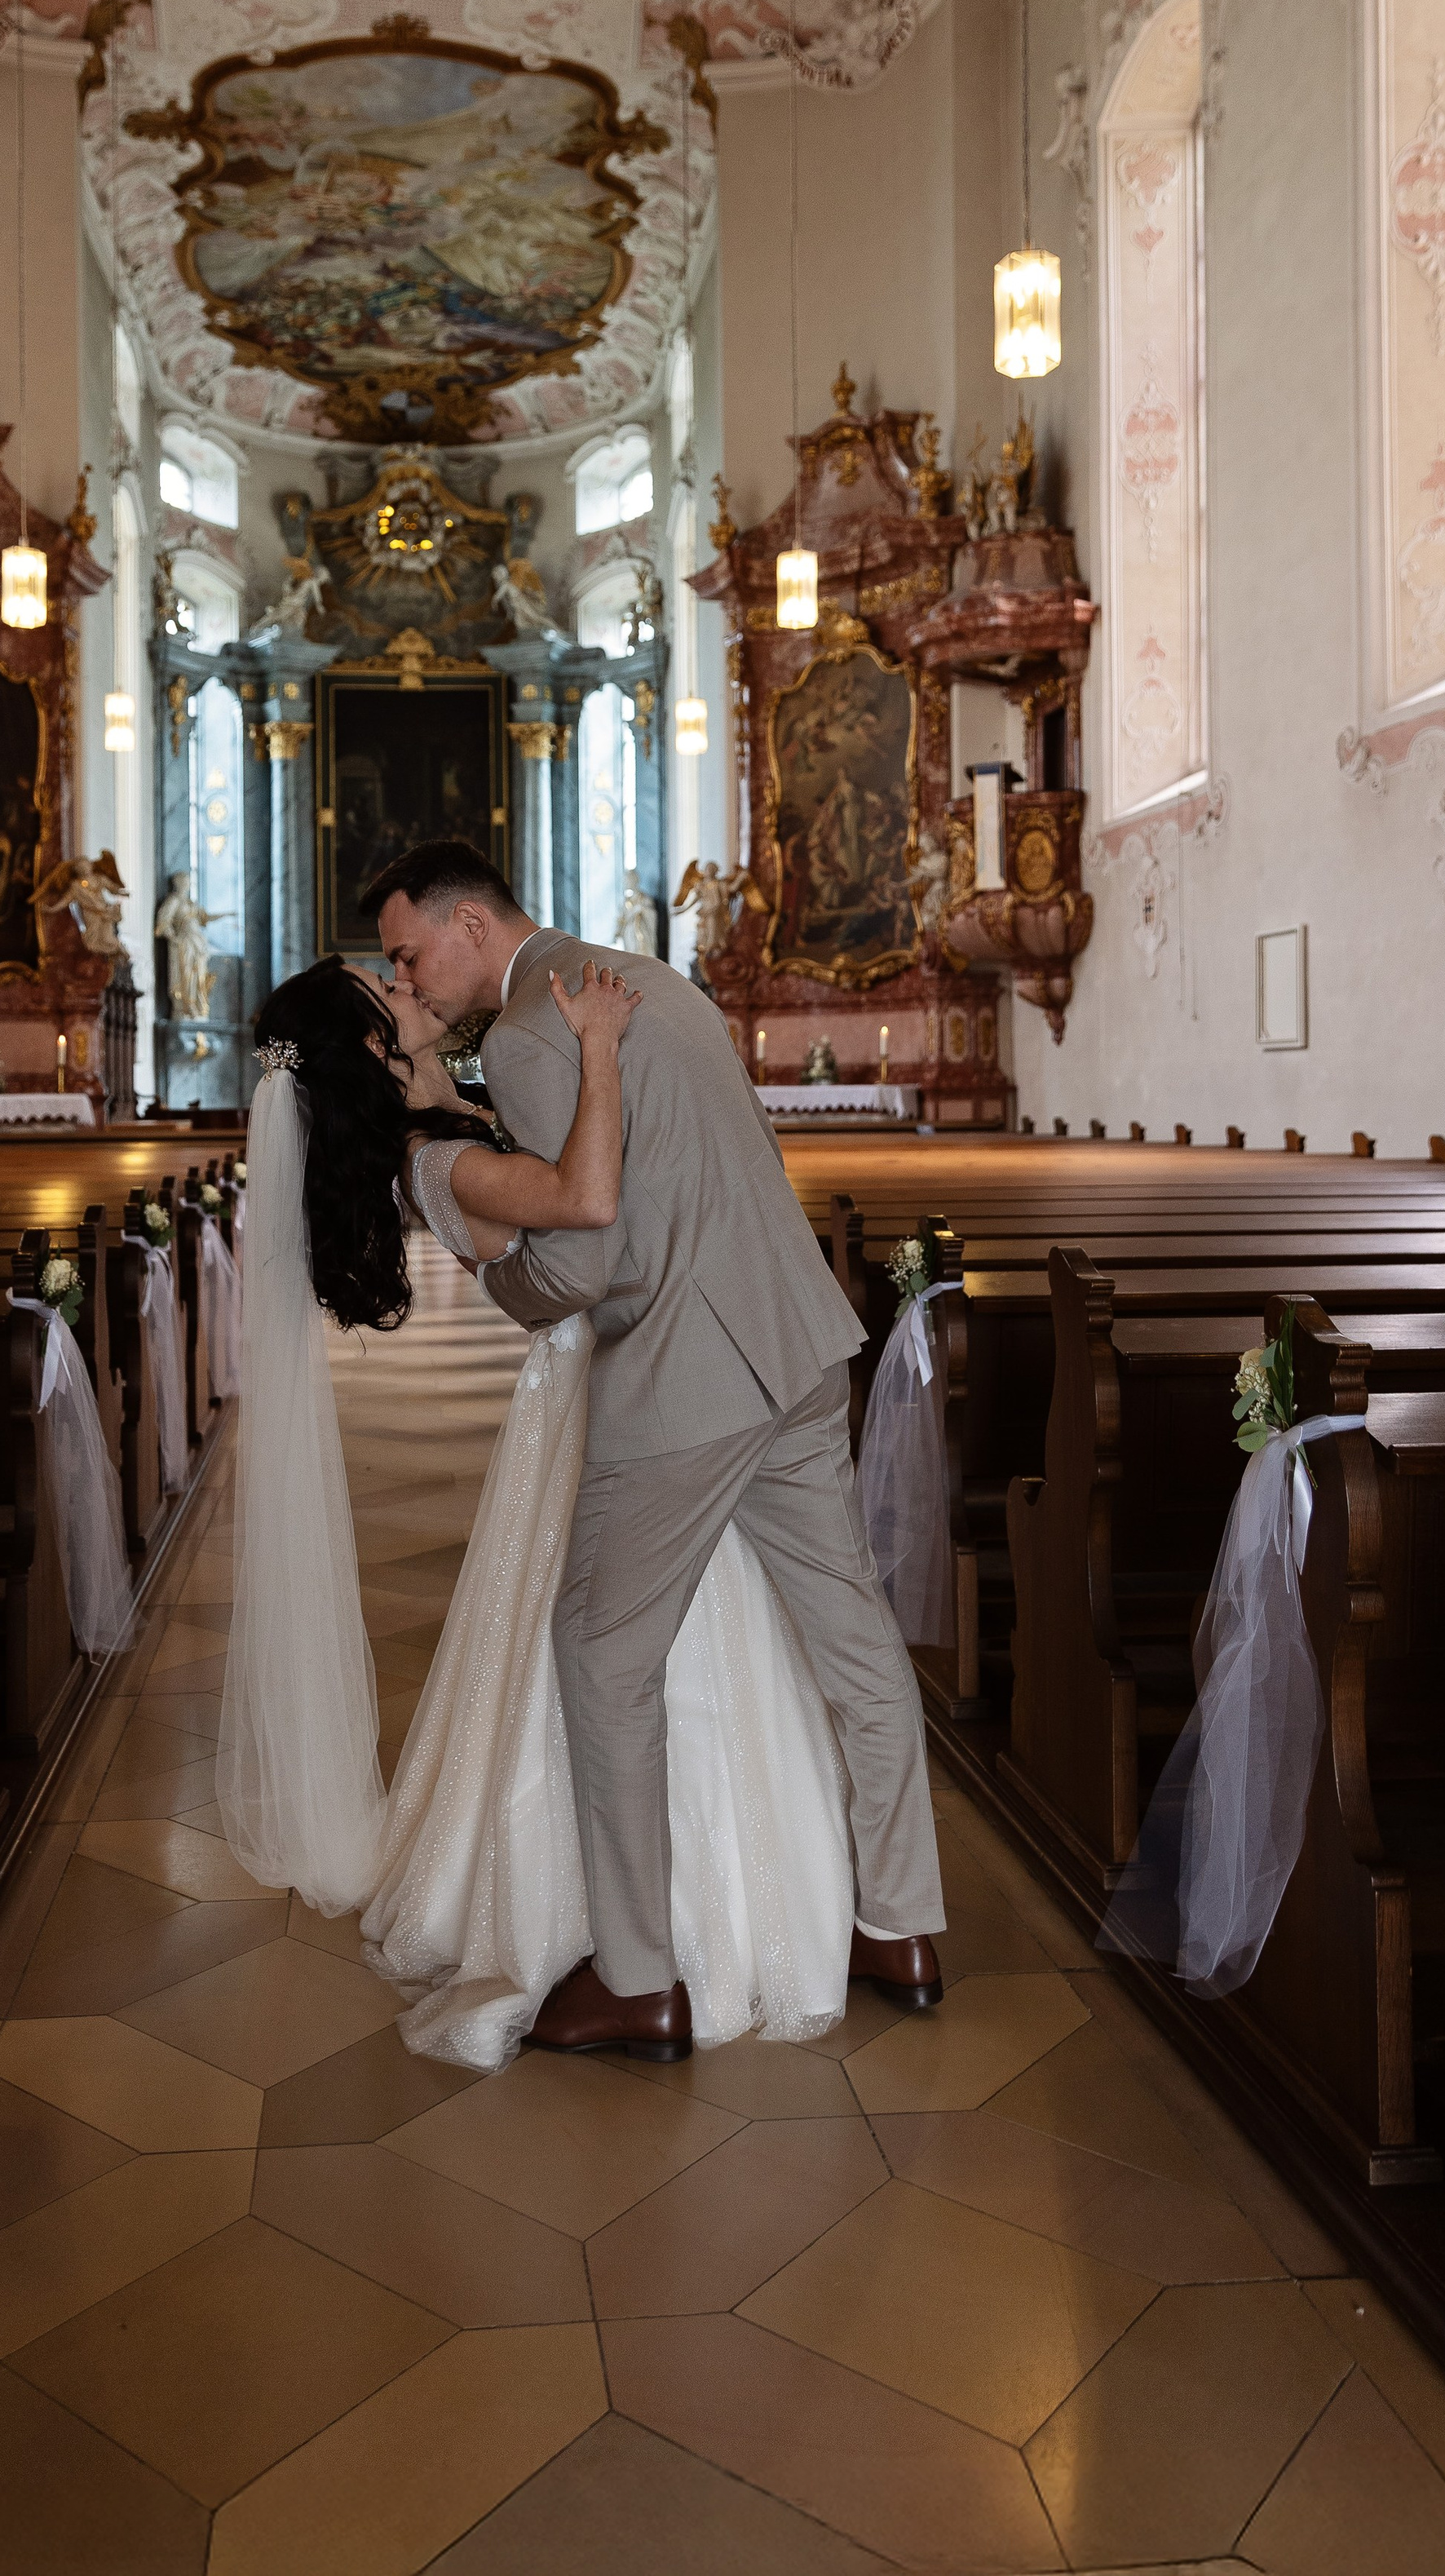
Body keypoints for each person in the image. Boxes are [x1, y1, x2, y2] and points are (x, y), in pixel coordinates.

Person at [217, 944, 862, 2067]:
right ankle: (668, 1939)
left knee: (671, 1628)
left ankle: (666, 1941)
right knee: (640, 1646)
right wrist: (602, 1052)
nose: (414, 989)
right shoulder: (431, 1164)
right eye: (393, 994)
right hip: (605, 1392)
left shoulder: (432, 1123)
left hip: (628, 1379)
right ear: (373, 1044)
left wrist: (459, 1094)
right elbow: (581, 1198)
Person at [363, 839, 945, 2062]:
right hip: (791, 1341)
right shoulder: (650, 979)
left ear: (472, 925)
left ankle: (637, 1980)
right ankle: (901, 1924)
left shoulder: (533, 1033)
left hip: (687, 1377)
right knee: (852, 1637)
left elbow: (581, 1259)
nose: (409, 978)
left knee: (600, 1650)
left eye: (412, 953)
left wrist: (489, 1270)